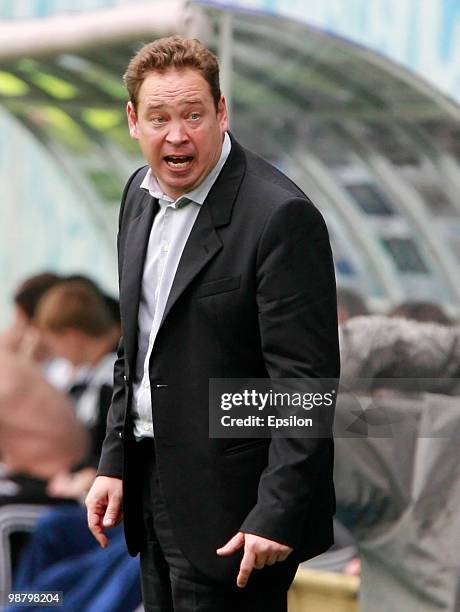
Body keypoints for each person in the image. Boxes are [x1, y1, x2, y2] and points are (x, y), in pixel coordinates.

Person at [85, 35, 340, 612]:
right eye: (160, 118)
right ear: (133, 121)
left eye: (194, 115)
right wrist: (115, 463)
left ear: (222, 114)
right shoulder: (136, 194)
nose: (177, 134)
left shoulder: (280, 217)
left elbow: (306, 384)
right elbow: (139, 344)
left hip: (239, 519)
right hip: (151, 495)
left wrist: (277, 511)